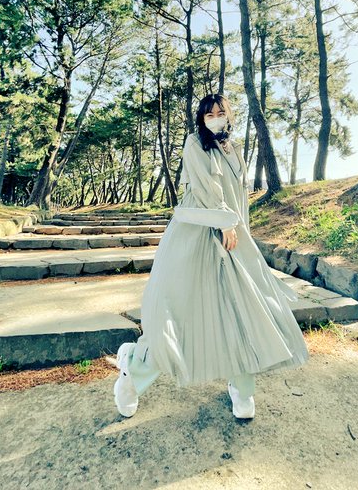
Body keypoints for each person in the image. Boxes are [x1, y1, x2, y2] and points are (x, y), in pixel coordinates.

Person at [113, 93, 309, 420]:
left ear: (229, 115)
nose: (215, 118)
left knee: (241, 310)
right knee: (178, 313)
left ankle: (242, 387)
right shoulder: (195, 143)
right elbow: (205, 188)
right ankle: (132, 372)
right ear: (201, 119)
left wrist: (240, 229)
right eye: (209, 115)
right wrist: (225, 222)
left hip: (232, 238)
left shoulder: (233, 148)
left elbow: (238, 196)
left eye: (220, 113)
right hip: (196, 235)